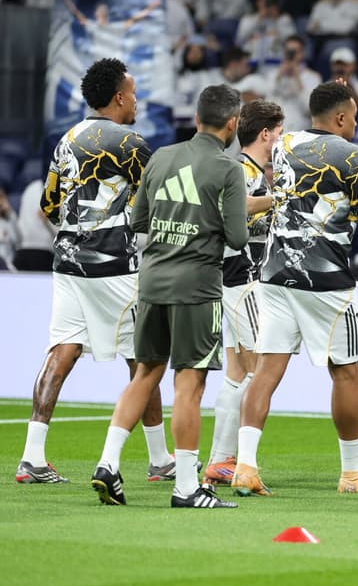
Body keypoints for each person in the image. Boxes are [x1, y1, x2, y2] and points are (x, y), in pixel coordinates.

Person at [231, 82, 358, 496]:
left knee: (265, 371)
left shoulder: (286, 145)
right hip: (326, 281)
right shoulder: (352, 157)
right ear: (339, 119)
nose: (355, 124)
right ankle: (352, 473)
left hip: (275, 273)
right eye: (352, 116)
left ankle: (245, 466)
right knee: (346, 371)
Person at [17, 58, 173, 485]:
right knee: (145, 359)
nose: (137, 101)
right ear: (119, 97)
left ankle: (32, 457)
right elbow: (154, 203)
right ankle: (160, 458)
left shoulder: (67, 139)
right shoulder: (130, 142)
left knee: (62, 349)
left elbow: (49, 205)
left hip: (68, 261)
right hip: (113, 264)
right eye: (134, 94)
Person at [91, 83, 248, 508]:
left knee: (145, 373)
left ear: (196, 118)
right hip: (196, 286)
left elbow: (138, 220)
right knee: (189, 383)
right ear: (232, 124)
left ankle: (108, 463)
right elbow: (237, 237)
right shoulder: (229, 168)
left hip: (152, 281)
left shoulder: (160, 156)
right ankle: (186, 487)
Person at [202, 100, 284, 486]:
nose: (282, 139)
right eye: (280, 132)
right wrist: (281, 199)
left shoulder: (247, 168)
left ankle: (219, 460)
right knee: (257, 370)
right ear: (265, 134)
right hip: (242, 279)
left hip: (233, 279)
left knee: (236, 373)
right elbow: (237, 208)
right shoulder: (241, 169)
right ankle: (227, 459)